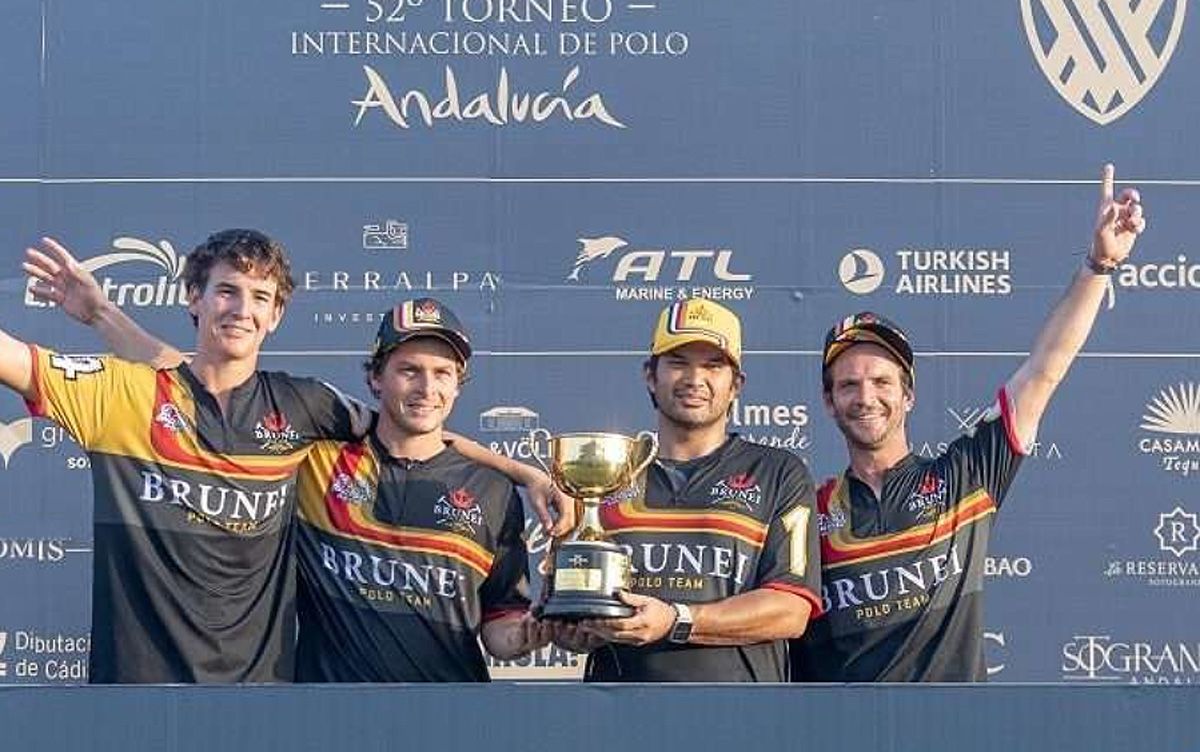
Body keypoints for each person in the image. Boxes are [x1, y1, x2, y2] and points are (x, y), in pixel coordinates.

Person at [793, 163, 1146, 681]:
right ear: (829, 403)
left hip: (956, 740)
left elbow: (1043, 372)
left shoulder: (964, 478)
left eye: (881, 382)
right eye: (848, 385)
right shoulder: (809, 511)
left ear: (908, 395)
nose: (866, 397)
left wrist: (1098, 266)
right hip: (848, 745)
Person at [7, 229, 371, 682]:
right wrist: (102, 315)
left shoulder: (306, 407)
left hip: (260, 706)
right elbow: (14, 360)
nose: (242, 310)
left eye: (260, 297)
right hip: (136, 700)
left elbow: (414, 440)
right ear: (194, 298)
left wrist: (489, 461)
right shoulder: (125, 396)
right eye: (226, 291)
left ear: (276, 314)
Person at [549, 298, 822, 682]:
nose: (695, 379)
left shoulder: (778, 472)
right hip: (618, 718)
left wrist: (678, 620)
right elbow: (577, 601)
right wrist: (576, 630)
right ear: (650, 375)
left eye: (713, 365)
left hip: (740, 719)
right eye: (678, 362)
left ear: (736, 385)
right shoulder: (605, 475)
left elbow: (791, 609)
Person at [293, 298, 551, 681]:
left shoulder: (491, 489)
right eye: (409, 370)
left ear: (458, 384)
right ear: (376, 377)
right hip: (334, 720)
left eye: (443, 373)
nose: (427, 388)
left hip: (450, 719)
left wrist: (535, 632)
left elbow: (499, 622)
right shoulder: (315, 465)